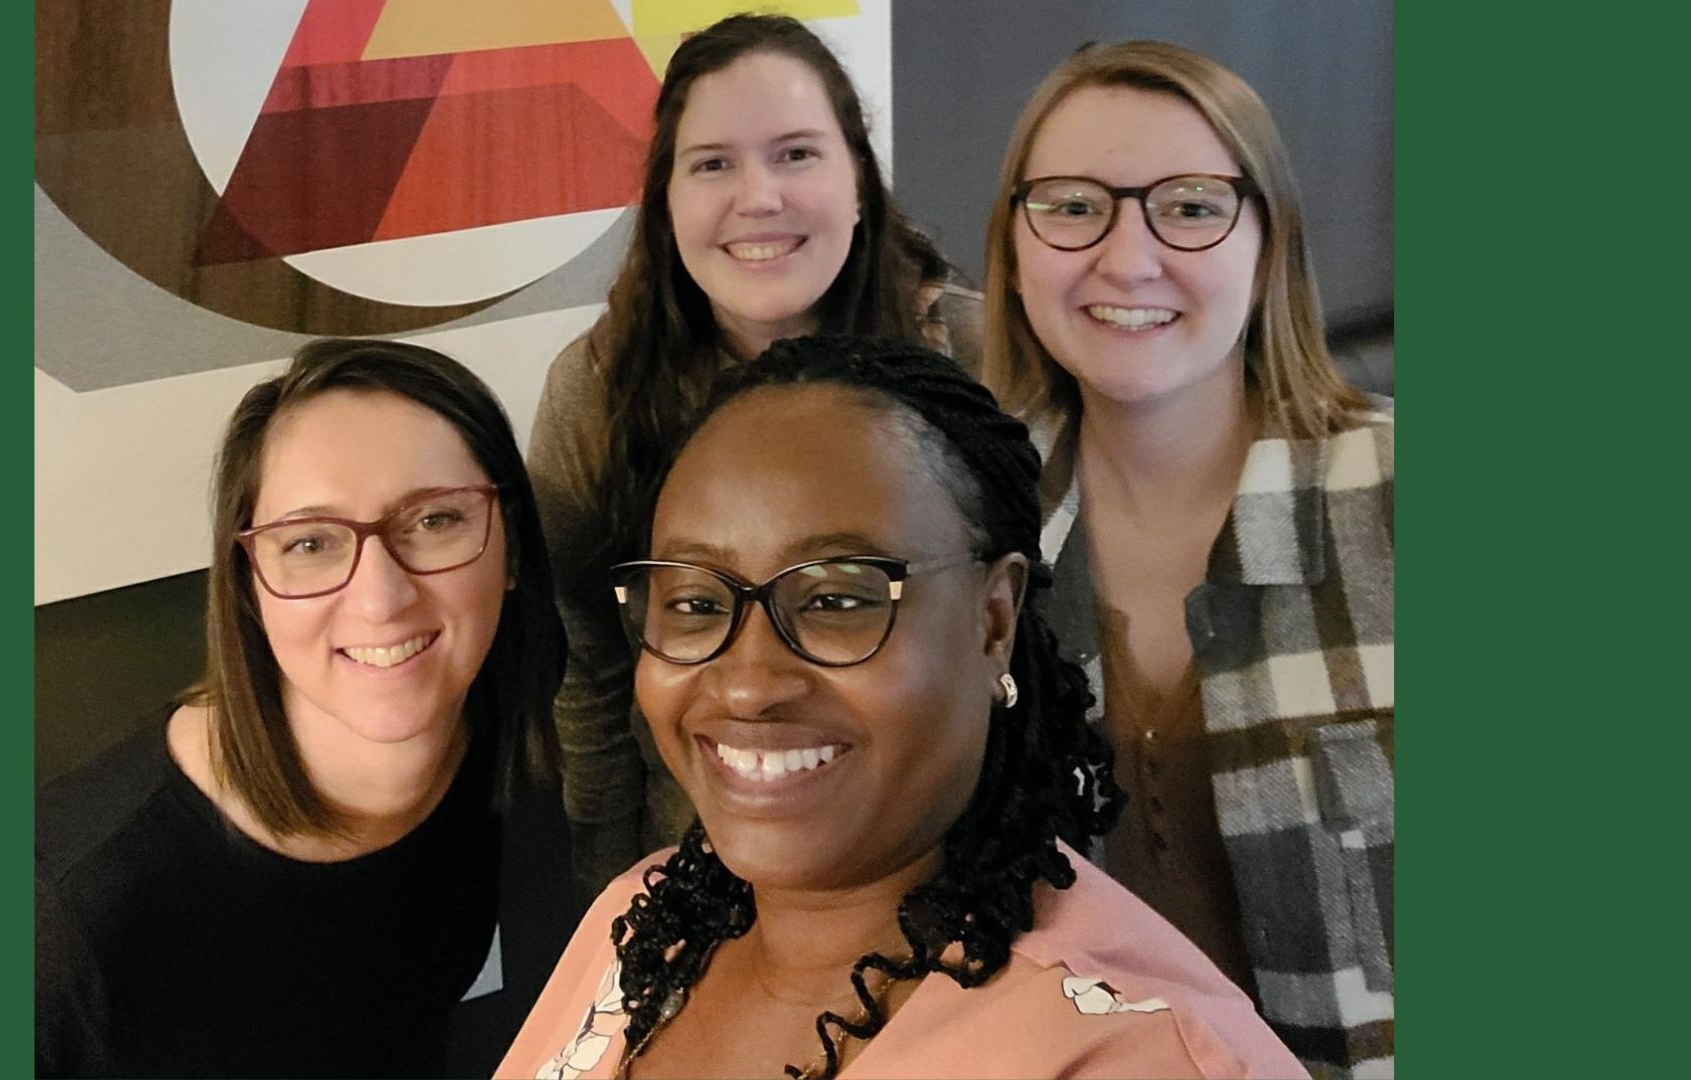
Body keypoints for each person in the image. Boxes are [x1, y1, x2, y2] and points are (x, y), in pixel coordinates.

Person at [499, 336, 1303, 1079]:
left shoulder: (1138, 1055)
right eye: (697, 603)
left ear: (995, 620)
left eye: (838, 600)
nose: (746, 684)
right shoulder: (644, 924)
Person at [980, 41, 1394, 1077]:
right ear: (1014, 246)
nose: (1127, 259)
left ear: (1270, 242)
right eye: (1073, 206)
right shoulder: (966, 531)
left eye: (1194, 205)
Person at [528, 12, 985, 900]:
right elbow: (590, 666)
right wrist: (619, 892)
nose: (759, 197)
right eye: (712, 164)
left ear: (860, 179)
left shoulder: (971, 357)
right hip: (710, 872)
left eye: (797, 154)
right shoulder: (594, 393)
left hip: (948, 862)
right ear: (667, 199)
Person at [35, 339, 566, 1077]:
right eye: (311, 542)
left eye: (435, 520)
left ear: (510, 546)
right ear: (250, 585)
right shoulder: (70, 918)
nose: (381, 599)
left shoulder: (502, 753)